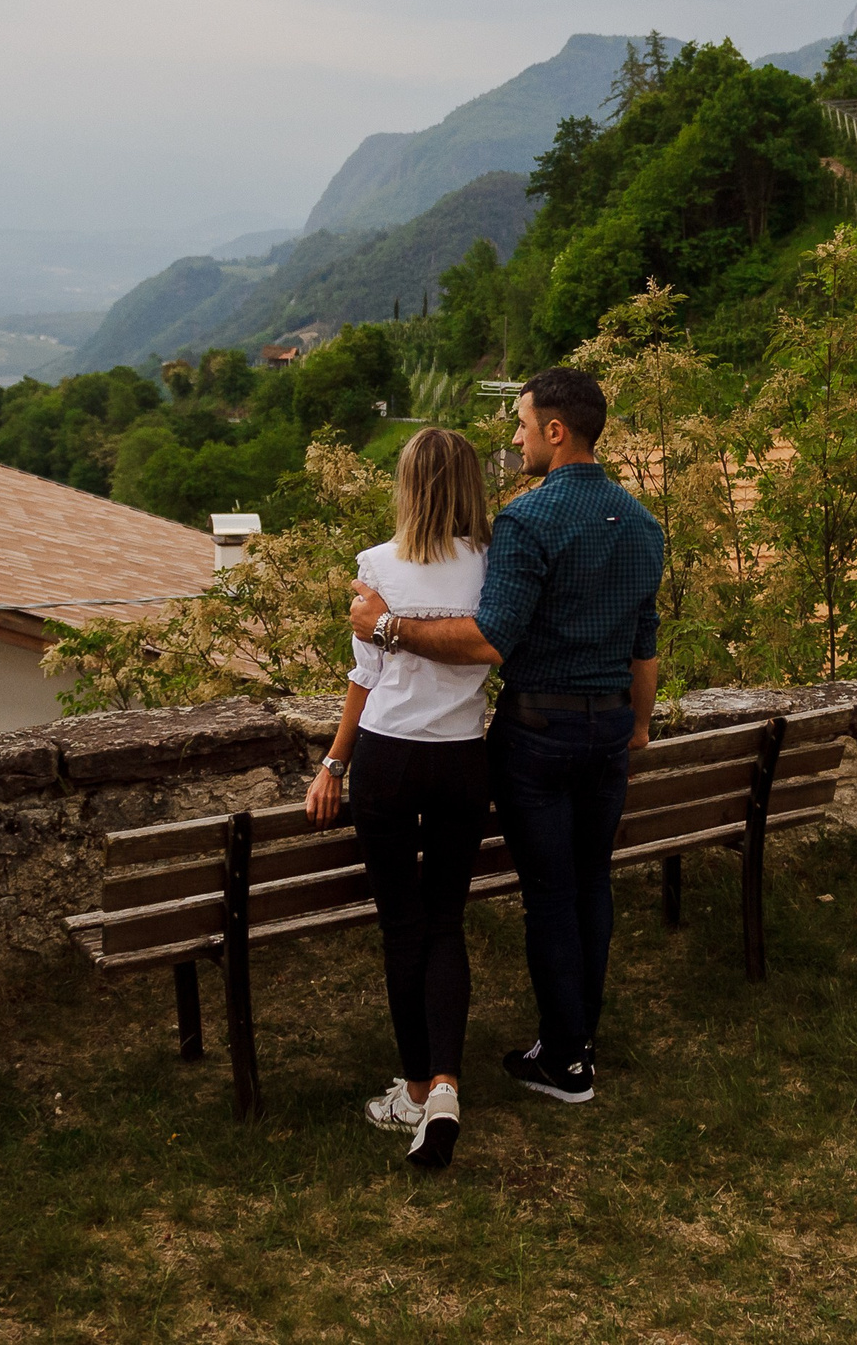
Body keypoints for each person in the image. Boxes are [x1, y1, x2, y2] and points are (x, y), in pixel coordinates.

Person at [349, 366, 663, 1105]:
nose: (516, 437)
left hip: (541, 732)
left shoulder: (530, 520)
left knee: (552, 892)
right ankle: (577, 1038)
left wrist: (387, 625)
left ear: (557, 431)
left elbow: (491, 637)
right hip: (610, 725)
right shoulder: (643, 525)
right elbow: (644, 645)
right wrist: (640, 723)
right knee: (592, 882)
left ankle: (566, 1059)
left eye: (521, 424)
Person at [307, 426, 496, 1167]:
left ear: (409, 486)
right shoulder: (493, 568)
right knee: (445, 921)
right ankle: (445, 1087)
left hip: (388, 759)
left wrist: (334, 764)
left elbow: (366, 678)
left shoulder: (377, 567)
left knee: (402, 926)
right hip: (460, 759)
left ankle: (414, 1089)